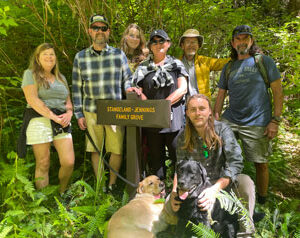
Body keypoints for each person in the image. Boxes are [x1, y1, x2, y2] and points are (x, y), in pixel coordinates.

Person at [214, 25, 283, 205]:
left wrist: (275, 120)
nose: (242, 42)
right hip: (231, 119)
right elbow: (221, 93)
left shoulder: (263, 61)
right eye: (238, 38)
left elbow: (277, 91)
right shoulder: (229, 66)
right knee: (219, 154)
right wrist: (216, 118)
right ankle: (223, 195)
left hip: (258, 121)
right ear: (232, 42)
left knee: (260, 163)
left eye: (246, 38)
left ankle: (261, 201)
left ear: (251, 41)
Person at [171, 94, 256, 237]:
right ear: (187, 113)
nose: (197, 113)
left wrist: (214, 189)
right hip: (194, 187)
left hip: (222, 185)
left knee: (245, 183)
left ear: (209, 111)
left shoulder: (223, 130)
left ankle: (245, 232)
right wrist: (175, 192)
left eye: (202, 109)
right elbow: (179, 168)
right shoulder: (182, 137)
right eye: (193, 109)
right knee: (169, 204)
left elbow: (235, 163)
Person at [72, 14, 132, 191]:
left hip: (114, 110)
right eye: (96, 28)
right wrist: (78, 114)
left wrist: (131, 90)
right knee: (95, 150)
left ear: (108, 32)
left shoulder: (118, 54)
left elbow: (127, 79)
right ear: (90, 31)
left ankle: (112, 185)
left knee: (117, 149)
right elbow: (76, 88)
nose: (100, 31)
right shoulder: (80, 57)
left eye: (103, 28)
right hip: (91, 110)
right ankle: (100, 187)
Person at [127, 29, 188, 179]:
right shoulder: (143, 67)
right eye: (154, 41)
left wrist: (164, 105)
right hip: (152, 121)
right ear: (150, 46)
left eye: (162, 41)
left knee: (178, 157)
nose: (158, 44)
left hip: (174, 121)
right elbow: (138, 91)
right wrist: (143, 99)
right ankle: (158, 194)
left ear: (168, 44)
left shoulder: (176, 64)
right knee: (156, 160)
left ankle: (179, 193)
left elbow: (183, 89)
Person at [20, 43, 74, 194]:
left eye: (52, 54)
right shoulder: (29, 74)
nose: (49, 57)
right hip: (39, 119)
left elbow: (68, 101)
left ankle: (62, 194)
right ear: (37, 58)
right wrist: (53, 117)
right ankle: (43, 201)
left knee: (68, 162)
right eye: (45, 54)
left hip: (62, 120)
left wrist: (69, 114)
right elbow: (32, 100)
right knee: (43, 163)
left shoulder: (61, 77)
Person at [179, 29, 230, 98]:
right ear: (182, 45)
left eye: (194, 42)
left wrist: (240, 56)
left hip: (202, 103)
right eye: (188, 42)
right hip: (182, 105)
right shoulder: (176, 64)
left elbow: (223, 63)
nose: (191, 45)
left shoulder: (204, 61)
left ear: (198, 46)